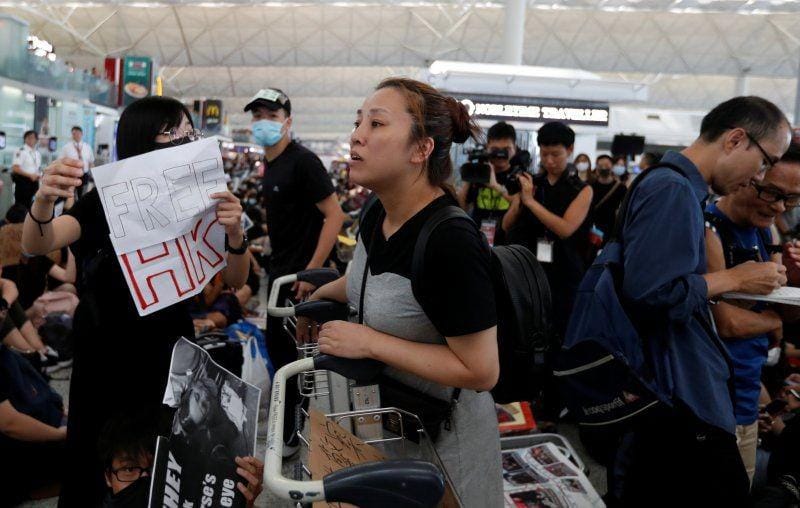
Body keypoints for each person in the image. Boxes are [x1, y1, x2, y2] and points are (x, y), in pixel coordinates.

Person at [20, 96, 250, 506]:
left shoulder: (204, 196)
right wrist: (43, 201)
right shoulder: (111, 199)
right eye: (172, 132)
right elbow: (40, 242)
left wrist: (235, 235)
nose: (185, 141)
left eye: (189, 132)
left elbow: (235, 278)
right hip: (106, 350)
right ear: (141, 140)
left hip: (166, 348)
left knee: (159, 453)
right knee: (101, 451)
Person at [298, 77, 502, 506]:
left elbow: (481, 370)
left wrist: (370, 342)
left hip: (444, 447)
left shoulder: (450, 241)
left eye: (376, 124)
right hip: (388, 422)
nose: (357, 136)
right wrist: (318, 295)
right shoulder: (378, 213)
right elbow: (364, 280)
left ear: (420, 149)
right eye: (358, 122)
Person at [601, 96, 792, 507]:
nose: (758, 176)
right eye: (763, 162)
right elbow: (652, 293)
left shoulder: (681, 189)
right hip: (669, 393)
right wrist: (733, 278)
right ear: (736, 139)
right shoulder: (671, 190)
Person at [245, 87, 345, 454]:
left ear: (287, 121)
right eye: (257, 116)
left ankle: (289, 435)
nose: (263, 123)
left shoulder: (303, 162)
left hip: (299, 279)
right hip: (280, 273)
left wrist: (311, 272)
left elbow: (335, 215)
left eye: (271, 116)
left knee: (292, 359)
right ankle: (287, 427)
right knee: (280, 353)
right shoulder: (272, 164)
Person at [704, 142, 800, 485]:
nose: (780, 207)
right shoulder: (708, 229)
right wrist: (772, 321)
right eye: (772, 193)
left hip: (748, 387)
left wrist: (794, 279)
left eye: (792, 199)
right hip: (712, 397)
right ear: (747, 176)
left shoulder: (765, 228)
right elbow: (727, 323)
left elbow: (784, 314)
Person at [0, 343, 67, 505]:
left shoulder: (4, 352)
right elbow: (10, 424)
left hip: (46, 423)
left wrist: (60, 409)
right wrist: (60, 434)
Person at [457, 121, 516, 246]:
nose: (500, 155)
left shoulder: (518, 175)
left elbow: (520, 204)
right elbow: (461, 208)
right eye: (495, 150)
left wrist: (495, 186)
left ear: (514, 149)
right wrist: (469, 177)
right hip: (478, 242)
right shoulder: (479, 171)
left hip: (507, 244)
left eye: (506, 150)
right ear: (487, 147)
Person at [591, 154, 627, 238]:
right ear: (596, 167)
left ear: (612, 166)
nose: (603, 168)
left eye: (606, 165)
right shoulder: (590, 187)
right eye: (600, 165)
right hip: (593, 228)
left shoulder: (621, 188)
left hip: (613, 229)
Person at [58, 126, 94, 197]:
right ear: (72, 135)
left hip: (85, 175)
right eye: (74, 134)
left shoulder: (87, 147)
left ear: (82, 134)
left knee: (83, 195)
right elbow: (61, 161)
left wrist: (92, 175)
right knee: (71, 195)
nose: (76, 135)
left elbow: (91, 162)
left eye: (78, 133)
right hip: (71, 175)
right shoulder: (66, 147)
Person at [12, 130, 42, 207]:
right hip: (23, 183)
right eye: (28, 137)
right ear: (25, 139)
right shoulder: (21, 151)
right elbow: (15, 168)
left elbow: (37, 167)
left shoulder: (37, 153)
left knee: (33, 206)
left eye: (32, 138)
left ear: (36, 140)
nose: (30, 139)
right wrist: (30, 175)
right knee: (22, 207)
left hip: (35, 182)